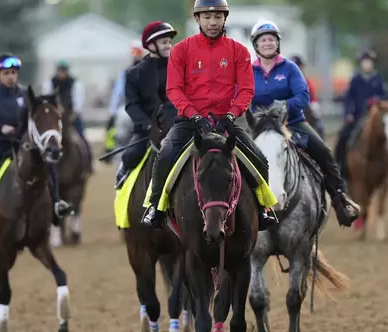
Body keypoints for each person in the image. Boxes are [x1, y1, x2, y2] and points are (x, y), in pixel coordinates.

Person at [142, 0, 275, 230]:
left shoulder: (238, 51)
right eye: (206, 17)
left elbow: (246, 90)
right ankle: (155, 207)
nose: (212, 22)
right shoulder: (181, 50)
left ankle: (264, 209)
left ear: (225, 18)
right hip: (189, 122)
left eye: (217, 17)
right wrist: (194, 115)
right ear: (197, 19)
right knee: (164, 156)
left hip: (226, 121)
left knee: (260, 160)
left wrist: (232, 114)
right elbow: (174, 89)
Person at [249, 21, 360, 227]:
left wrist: (283, 107)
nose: (267, 43)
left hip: (293, 123)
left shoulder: (290, 68)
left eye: (271, 39)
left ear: (278, 43)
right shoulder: (248, 71)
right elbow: (242, 97)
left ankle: (339, 200)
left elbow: (303, 96)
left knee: (324, 153)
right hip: (259, 127)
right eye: (263, 40)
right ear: (256, 45)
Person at [0, 52, 72, 220]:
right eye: (6, 73)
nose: (11, 77)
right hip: (0, 141)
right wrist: (1, 127)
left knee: (49, 160)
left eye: (14, 73)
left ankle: (57, 202)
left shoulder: (26, 94)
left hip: (24, 141)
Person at [114, 21, 178, 189]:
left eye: (169, 42)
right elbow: (132, 105)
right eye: (164, 42)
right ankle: (122, 175)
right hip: (146, 130)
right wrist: (147, 125)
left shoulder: (179, 68)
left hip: (179, 126)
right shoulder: (134, 74)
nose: (169, 46)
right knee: (131, 155)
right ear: (150, 45)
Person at [334, 50, 388, 180]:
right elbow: (348, 99)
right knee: (344, 135)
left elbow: (385, 97)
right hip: (358, 117)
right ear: (361, 64)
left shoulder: (378, 81)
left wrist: (378, 101)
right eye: (365, 62)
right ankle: (341, 165)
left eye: (369, 62)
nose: (367, 65)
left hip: (377, 117)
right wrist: (349, 113)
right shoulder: (355, 80)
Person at [43, 60, 94, 171]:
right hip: (54, 117)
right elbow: (46, 101)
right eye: (60, 70)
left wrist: (72, 116)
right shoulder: (49, 83)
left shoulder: (75, 83)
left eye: (64, 70)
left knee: (81, 137)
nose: (62, 73)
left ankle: (88, 164)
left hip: (71, 117)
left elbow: (78, 103)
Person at [103, 40, 147, 161]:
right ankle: (109, 147)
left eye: (137, 52)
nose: (136, 54)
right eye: (134, 52)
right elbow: (118, 93)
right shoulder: (125, 72)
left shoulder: (149, 70)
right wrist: (112, 112)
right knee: (112, 126)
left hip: (146, 107)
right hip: (129, 107)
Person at [291, 55, 325, 139]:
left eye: (298, 65)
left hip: (305, 113)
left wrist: (314, 108)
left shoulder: (306, 81)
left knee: (319, 127)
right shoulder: (284, 80)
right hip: (288, 112)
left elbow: (313, 97)